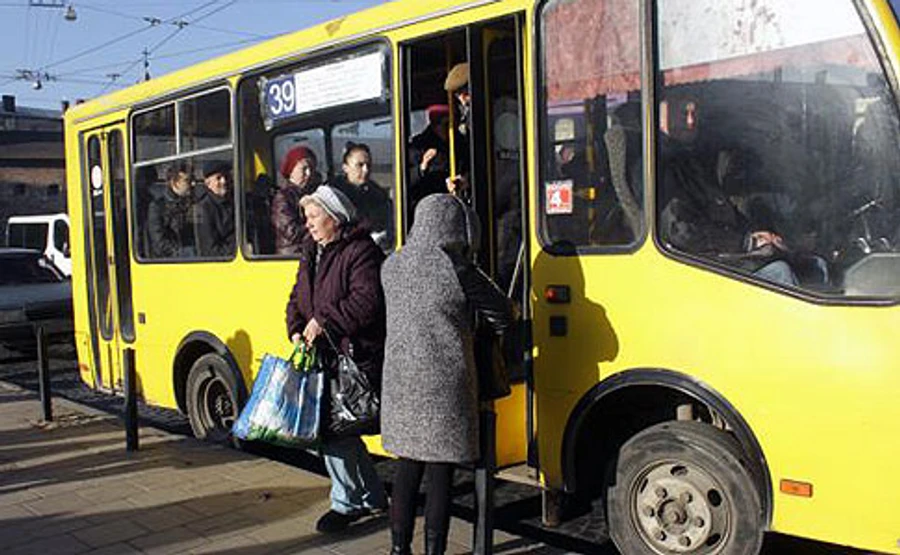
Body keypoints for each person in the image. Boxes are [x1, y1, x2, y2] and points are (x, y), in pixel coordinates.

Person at [380, 193, 514, 555]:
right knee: (441, 473)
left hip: (400, 383)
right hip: (444, 383)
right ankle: (434, 551)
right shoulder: (456, 269)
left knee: (407, 469)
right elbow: (504, 312)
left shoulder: (391, 264)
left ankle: (397, 548)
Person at [285, 185, 388, 533]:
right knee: (340, 431)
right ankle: (372, 497)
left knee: (333, 432)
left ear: (334, 217)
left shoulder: (361, 251)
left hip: (352, 357)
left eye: (314, 216)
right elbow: (297, 296)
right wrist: (296, 327)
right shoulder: (311, 250)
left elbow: (367, 301)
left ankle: (346, 503)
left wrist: (324, 320)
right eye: (306, 217)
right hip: (322, 357)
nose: (308, 224)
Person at [331, 142, 393, 250]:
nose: (366, 170)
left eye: (368, 165)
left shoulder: (377, 193)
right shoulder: (334, 194)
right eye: (360, 165)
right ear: (345, 168)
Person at [273, 145, 322, 255]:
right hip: (292, 256)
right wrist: (320, 226)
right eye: (304, 169)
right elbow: (291, 232)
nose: (309, 174)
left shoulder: (316, 193)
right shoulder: (283, 198)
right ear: (291, 170)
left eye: (312, 169)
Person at [147, 162, 196, 258]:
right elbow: (159, 242)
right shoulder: (157, 207)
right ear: (174, 182)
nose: (193, 184)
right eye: (188, 180)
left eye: (193, 180)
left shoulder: (194, 204)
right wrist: (183, 253)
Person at [408, 104, 451, 207]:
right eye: (447, 124)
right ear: (435, 125)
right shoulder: (418, 146)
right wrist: (422, 167)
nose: (451, 129)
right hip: (428, 205)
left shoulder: (460, 142)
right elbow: (406, 181)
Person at [195, 161, 235, 257]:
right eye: (218, 178)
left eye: (227, 177)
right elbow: (209, 250)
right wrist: (239, 249)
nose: (224, 181)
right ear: (208, 183)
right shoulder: (201, 208)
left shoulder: (235, 200)